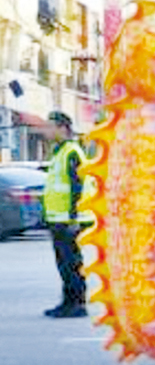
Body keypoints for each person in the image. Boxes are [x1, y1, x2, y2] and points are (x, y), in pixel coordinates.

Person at [41, 111, 92, 318]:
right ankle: (67, 302)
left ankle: (78, 305)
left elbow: (77, 187)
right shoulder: (59, 152)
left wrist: (73, 217)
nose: (47, 130)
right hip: (58, 218)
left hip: (69, 220)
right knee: (64, 264)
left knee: (72, 263)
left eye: (50, 126)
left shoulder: (72, 152)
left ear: (63, 128)